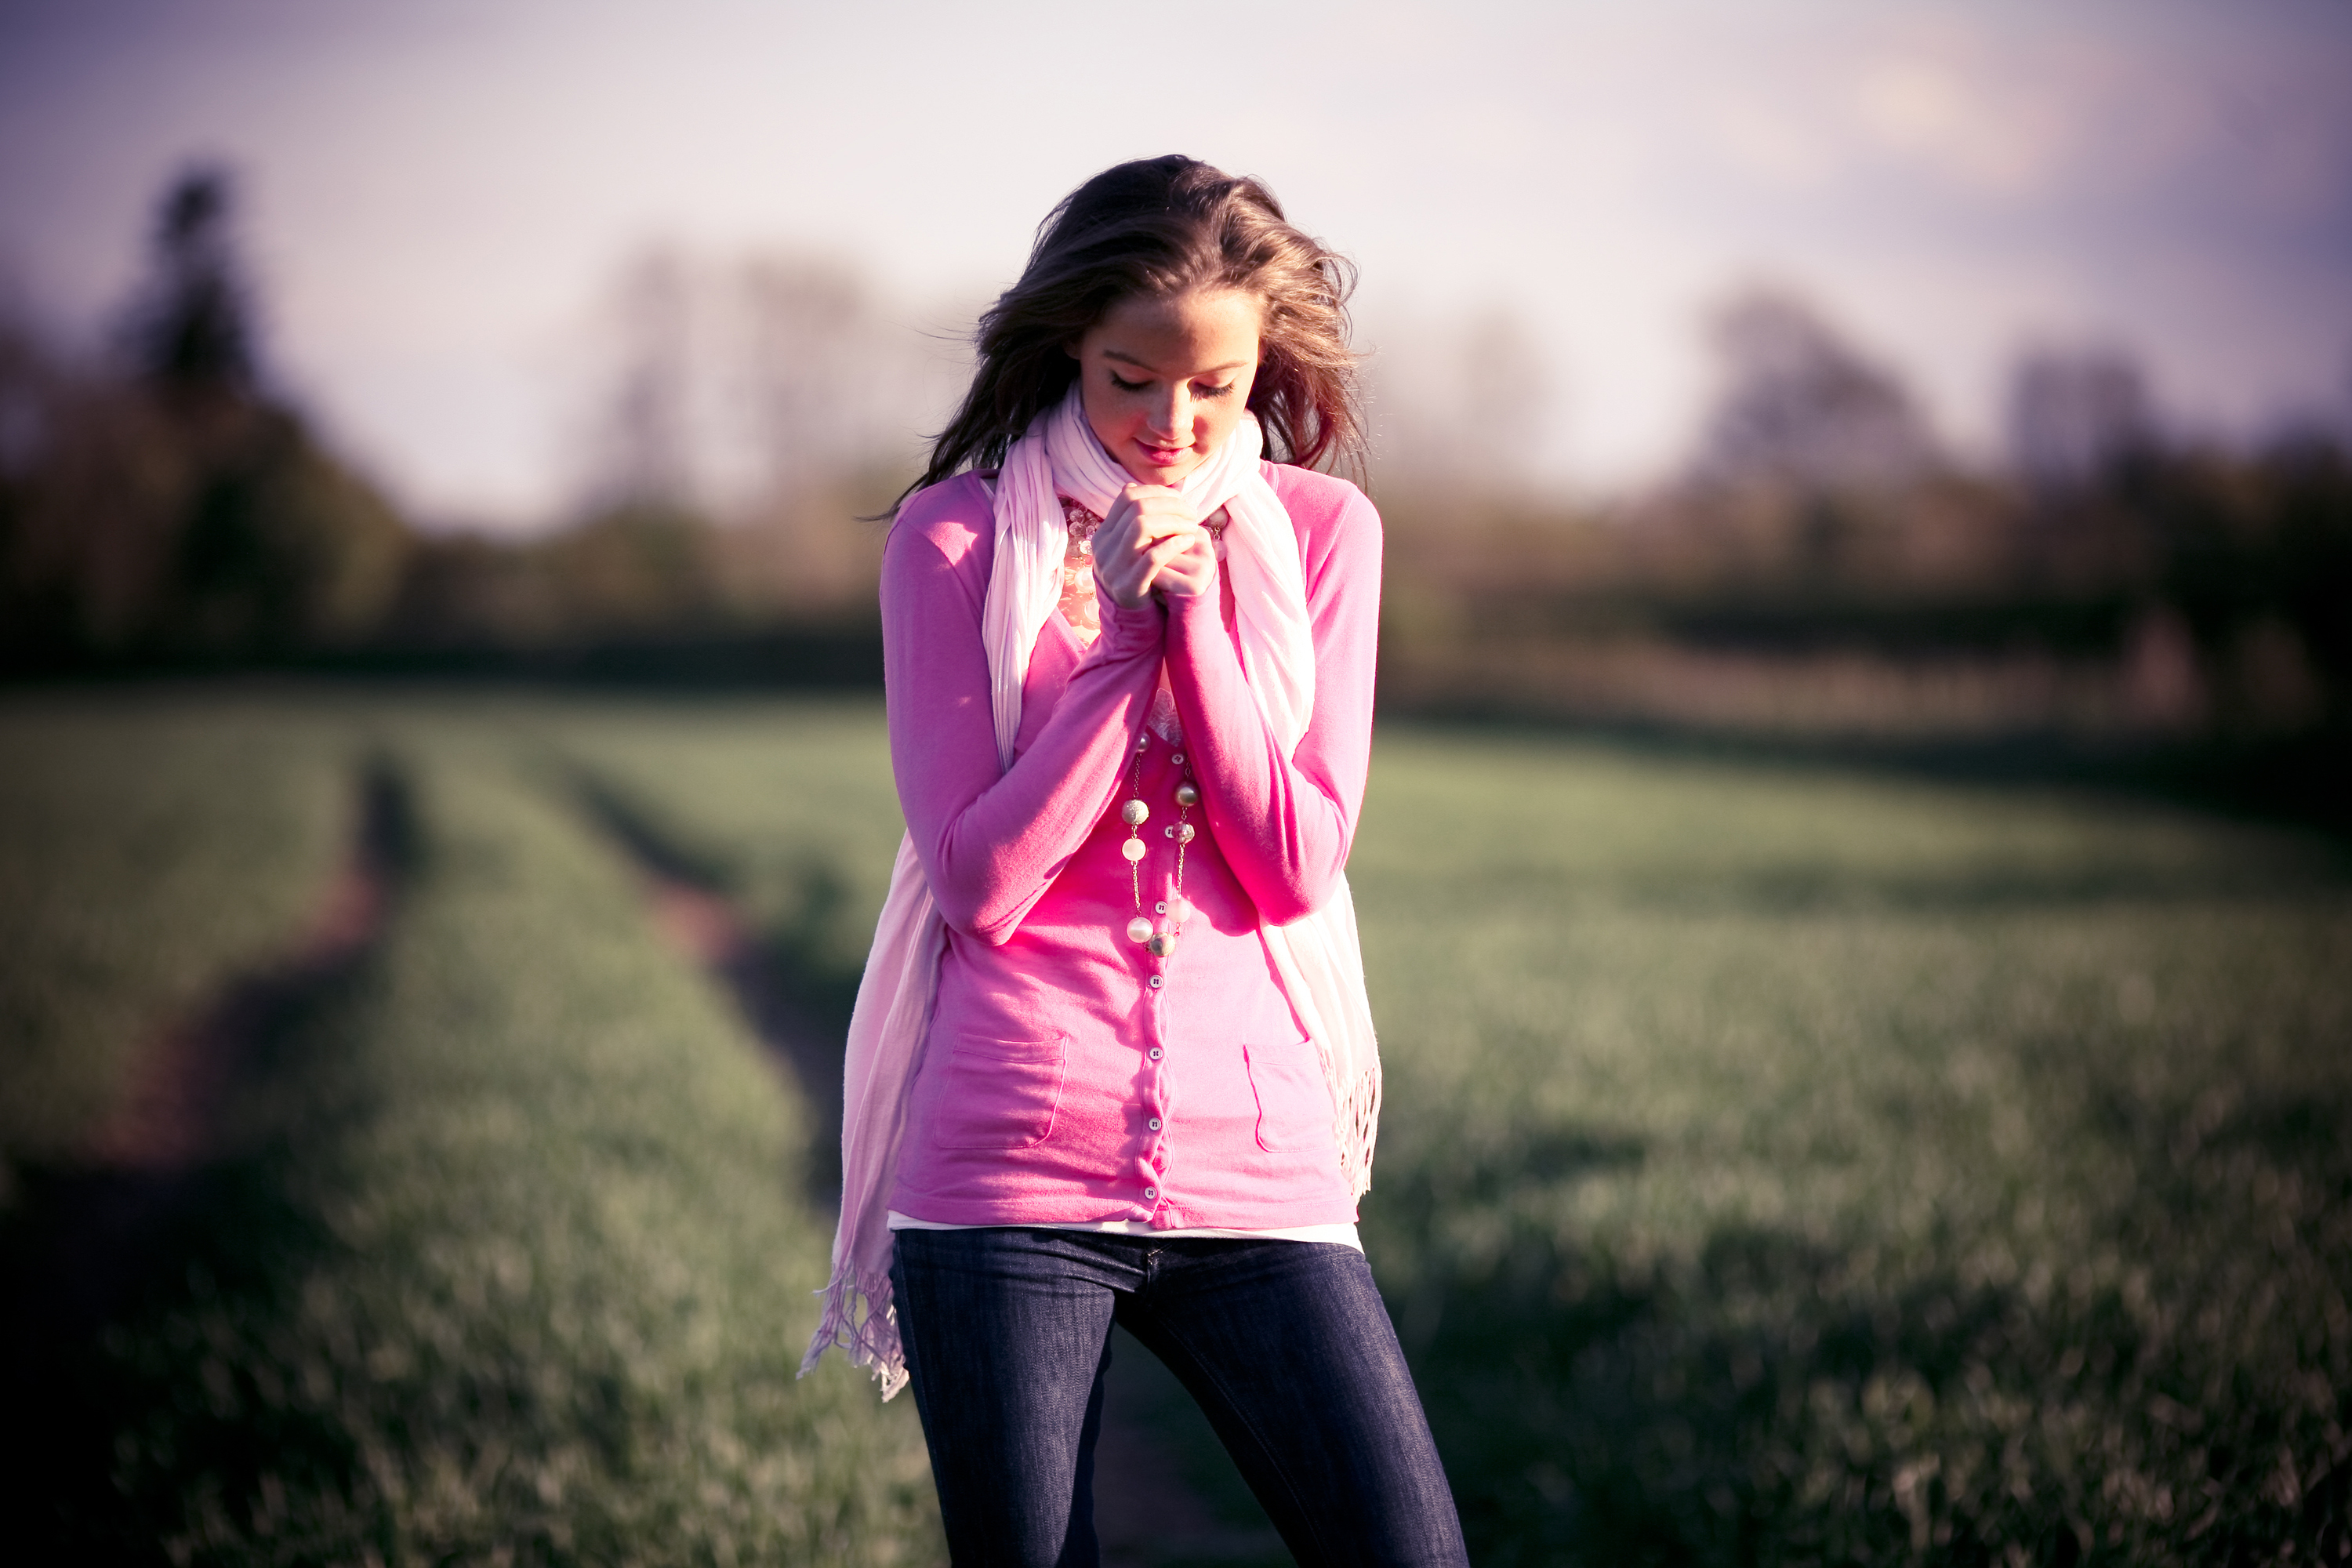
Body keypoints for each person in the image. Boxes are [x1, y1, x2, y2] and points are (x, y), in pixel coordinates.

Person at [803, 154, 1467, 1567]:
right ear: (1066, 350)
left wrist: (1199, 623)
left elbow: (1293, 864)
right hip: (1004, 1172)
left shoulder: (1326, 537)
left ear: (1263, 371)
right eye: (1129, 378)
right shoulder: (956, 539)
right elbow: (981, 882)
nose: (1172, 420)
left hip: (1264, 1168)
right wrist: (1119, 646)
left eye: (1215, 386)